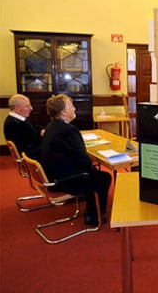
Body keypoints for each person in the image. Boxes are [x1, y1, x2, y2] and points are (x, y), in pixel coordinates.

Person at [42, 94, 112, 226]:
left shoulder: (52, 126)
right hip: (65, 180)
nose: (74, 108)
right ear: (63, 112)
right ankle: (93, 216)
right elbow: (84, 160)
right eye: (71, 106)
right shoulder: (68, 130)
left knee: (94, 172)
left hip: (54, 175)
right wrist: (92, 168)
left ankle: (91, 204)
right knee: (103, 177)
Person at [4, 94, 44, 161]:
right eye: (27, 106)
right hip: (31, 159)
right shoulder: (15, 124)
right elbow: (36, 140)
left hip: (31, 154)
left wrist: (42, 131)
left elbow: (35, 127)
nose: (31, 108)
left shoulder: (18, 119)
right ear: (17, 108)